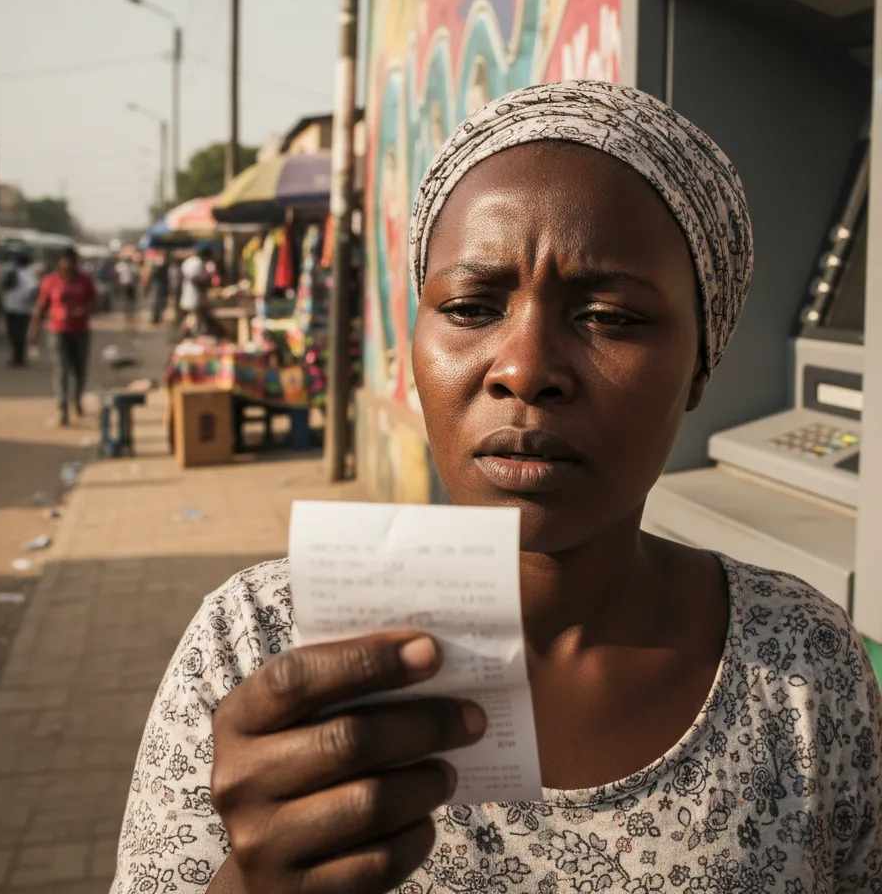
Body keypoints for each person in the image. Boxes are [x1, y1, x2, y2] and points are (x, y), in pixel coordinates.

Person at [110, 82, 882, 891]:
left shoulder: (802, 665)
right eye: (472, 307)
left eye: (611, 316)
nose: (525, 369)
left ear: (701, 365)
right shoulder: (259, 646)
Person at [29, 245, 97, 426]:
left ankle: (77, 400)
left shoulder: (85, 281)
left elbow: (95, 303)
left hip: (80, 331)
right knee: (62, 369)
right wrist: (34, 332)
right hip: (58, 330)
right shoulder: (51, 281)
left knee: (79, 370)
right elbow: (41, 308)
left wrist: (83, 310)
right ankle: (63, 408)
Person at [1, 250, 37, 367]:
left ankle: (19, 357)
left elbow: (32, 291)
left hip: (17, 308)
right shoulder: (23, 274)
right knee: (17, 334)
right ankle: (17, 356)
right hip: (18, 308)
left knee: (17, 335)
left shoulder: (22, 274)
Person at [179, 246, 209, 336]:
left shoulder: (187, 262)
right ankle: (190, 332)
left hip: (188, 294)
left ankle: (185, 331)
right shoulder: (196, 262)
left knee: (191, 315)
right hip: (193, 295)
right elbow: (198, 278)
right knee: (193, 316)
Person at [145, 253, 170, 326]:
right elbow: (151, 277)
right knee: (155, 304)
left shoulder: (165, 268)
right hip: (156, 289)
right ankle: (155, 319)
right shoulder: (155, 268)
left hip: (163, 288)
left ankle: (159, 318)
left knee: (162, 304)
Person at [115, 257, 139, 329]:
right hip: (126, 285)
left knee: (129, 301)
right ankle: (128, 314)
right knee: (128, 301)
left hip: (129, 286)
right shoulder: (123, 267)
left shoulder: (129, 267)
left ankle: (129, 314)